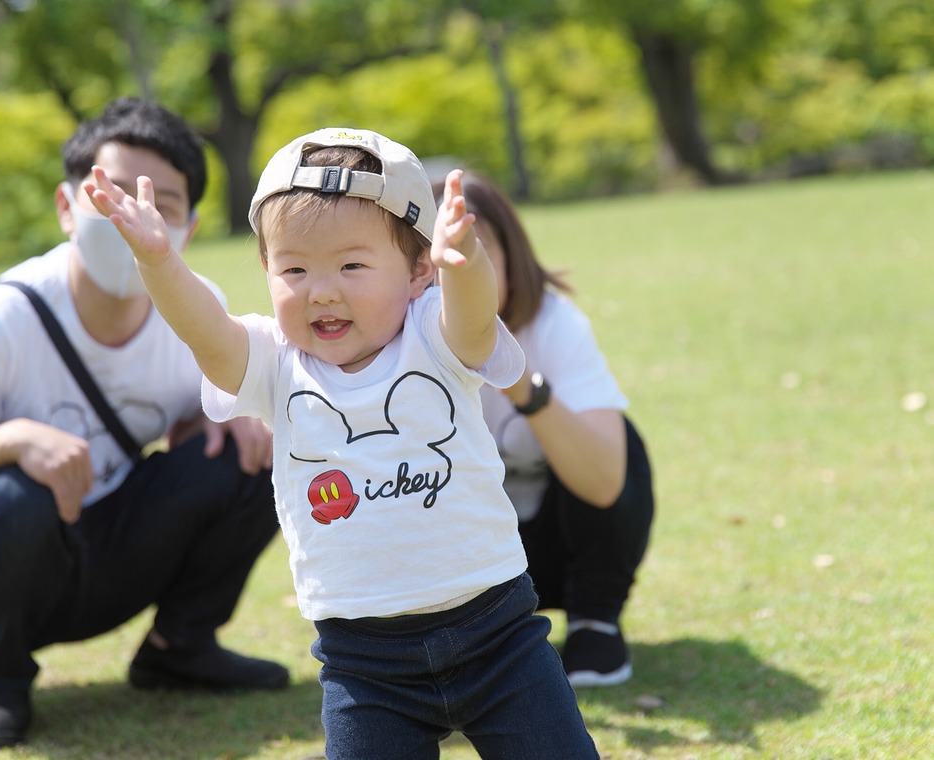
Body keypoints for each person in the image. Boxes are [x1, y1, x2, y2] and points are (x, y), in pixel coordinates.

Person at [86, 127, 598, 759]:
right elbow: (207, 333)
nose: (321, 290)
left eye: (352, 265)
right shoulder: (274, 362)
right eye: (293, 268)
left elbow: (470, 318)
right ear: (267, 271)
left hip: (498, 638)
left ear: (416, 271)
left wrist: (464, 263)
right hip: (364, 664)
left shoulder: (434, 337)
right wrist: (159, 263)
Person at [0, 97, 288, 750]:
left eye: (160, 203)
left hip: (94, 555)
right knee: (16, 491)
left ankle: (179, 646)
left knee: (263, 448)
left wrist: (233, 420)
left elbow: (199, 424)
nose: (131, 216)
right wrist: (10, 440)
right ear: (67, 207)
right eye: (109, 192)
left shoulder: (195, 313)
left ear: (189, 227)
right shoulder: (2, 319)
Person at [432, 173, 655, 688]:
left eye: (471, 251)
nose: (454, 271)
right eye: (433, 258)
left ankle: (594, 618)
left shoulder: (556, 324)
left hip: (557, 544)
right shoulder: (400, 341)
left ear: (511, 251)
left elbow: (604, 482)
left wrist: (521, 386)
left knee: (620, 444)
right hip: (474, 561)